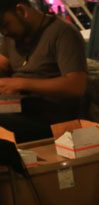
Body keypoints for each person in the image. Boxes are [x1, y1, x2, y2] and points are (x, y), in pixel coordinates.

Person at [0, 0, 87, 142]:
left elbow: (76, 86)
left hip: (48, 119)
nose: (4, 32)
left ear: (21, 11)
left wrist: (20, 84)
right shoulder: (13, 36)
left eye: (5, 25)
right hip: (17, 110)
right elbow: (3, 63)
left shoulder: (63, 32)